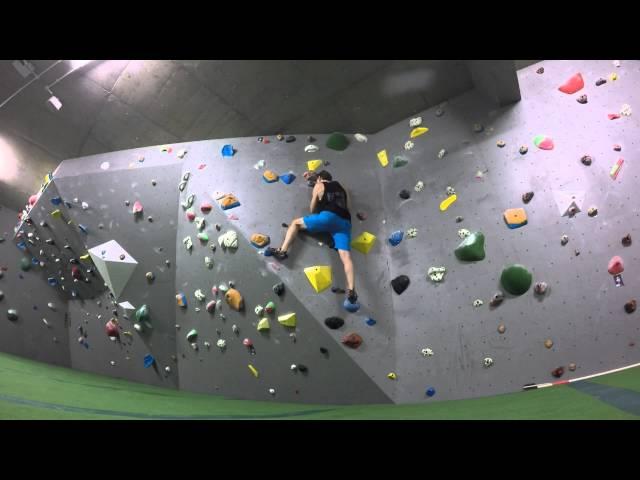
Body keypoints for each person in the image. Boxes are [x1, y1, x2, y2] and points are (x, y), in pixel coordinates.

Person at [266, 170, 358, 306]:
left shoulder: (319, 185)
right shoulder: (342, 187)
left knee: (295, 223)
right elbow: (348, 206)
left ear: (320, 178)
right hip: (345, 222)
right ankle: (351, 290)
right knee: (345, 257)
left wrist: (316, 194)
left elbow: (312, 209)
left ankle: (282, 250)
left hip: (328, 216)